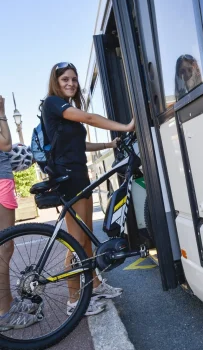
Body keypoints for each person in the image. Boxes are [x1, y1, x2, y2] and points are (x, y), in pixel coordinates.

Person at [42, 62, 135, 316]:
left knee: (86, 237)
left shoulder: (67, 109)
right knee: (75, 241)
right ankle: (74, 301)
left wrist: (110, 142)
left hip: (79, 174)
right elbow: (90, 118)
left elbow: (81, 145)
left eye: (74, 79)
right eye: (65, 80)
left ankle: (94, 285)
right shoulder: (52, 103)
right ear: (56, 82)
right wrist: (125, 126)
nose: (71, 83)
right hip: (68, 177)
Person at [0, 95, 40, 330]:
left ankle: (8, 303)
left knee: (6, 247)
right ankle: (4, 314)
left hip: (4, 179)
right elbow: (5, 143)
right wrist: (2, 111)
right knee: (3, 248)